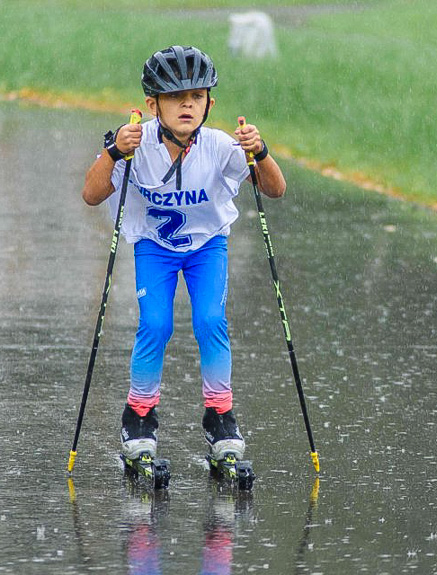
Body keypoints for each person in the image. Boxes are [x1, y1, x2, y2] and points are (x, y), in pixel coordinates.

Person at [81, 45, 286, 463]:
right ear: (152, 104)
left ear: (210, 103)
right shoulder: (135, 144)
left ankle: (220, 416)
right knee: (155, 326)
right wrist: (114, 151)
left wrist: (259, 152)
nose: (187, 105)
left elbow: (275, 189)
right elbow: (91, 193)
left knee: (210, 321)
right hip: (155, 248)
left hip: (207, 246)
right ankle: (139, 416)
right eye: (175, 97)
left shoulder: (217, 146)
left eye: (196, 96)